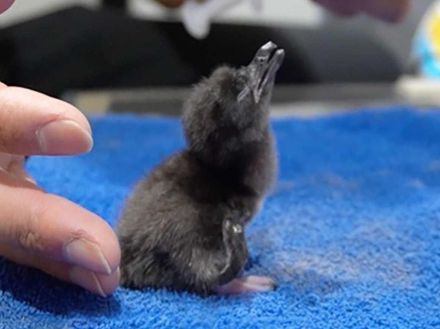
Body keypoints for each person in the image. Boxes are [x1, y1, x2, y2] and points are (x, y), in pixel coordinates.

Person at [0, 0, 410, 297]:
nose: (260, 72)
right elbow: (180, 230)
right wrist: (218, 271)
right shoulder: (218, 188)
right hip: (22, 57)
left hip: (56, 33)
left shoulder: (220, 168)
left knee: (368, 55)